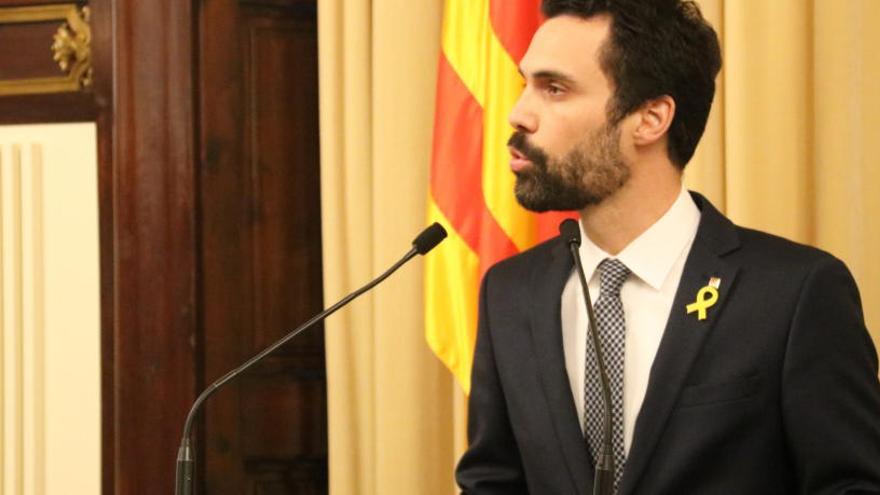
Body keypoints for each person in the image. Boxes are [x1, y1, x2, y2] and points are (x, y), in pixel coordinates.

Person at [455, 1, 880, 494]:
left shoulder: (794, 294)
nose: (518, 114)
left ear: (650, 118)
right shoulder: (510, 293)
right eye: (525, 83)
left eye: (555, 89)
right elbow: (492, 481)